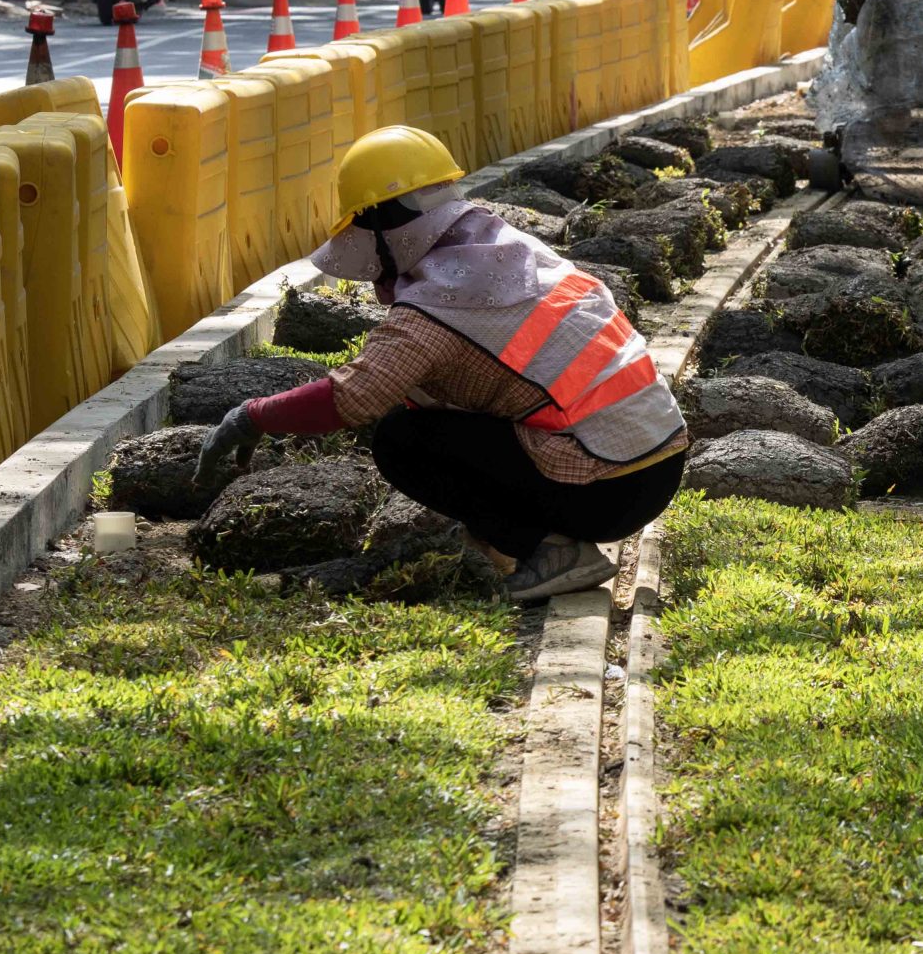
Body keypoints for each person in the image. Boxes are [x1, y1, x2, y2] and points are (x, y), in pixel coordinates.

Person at [195, 126, 691, 603]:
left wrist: (252, 416)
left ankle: (552, 551)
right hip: (656, 460)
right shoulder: (511, 253)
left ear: (380, 226)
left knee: (403, 439)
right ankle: (527, 537)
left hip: (607, 489)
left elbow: (354, 396)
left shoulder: (439, 305)